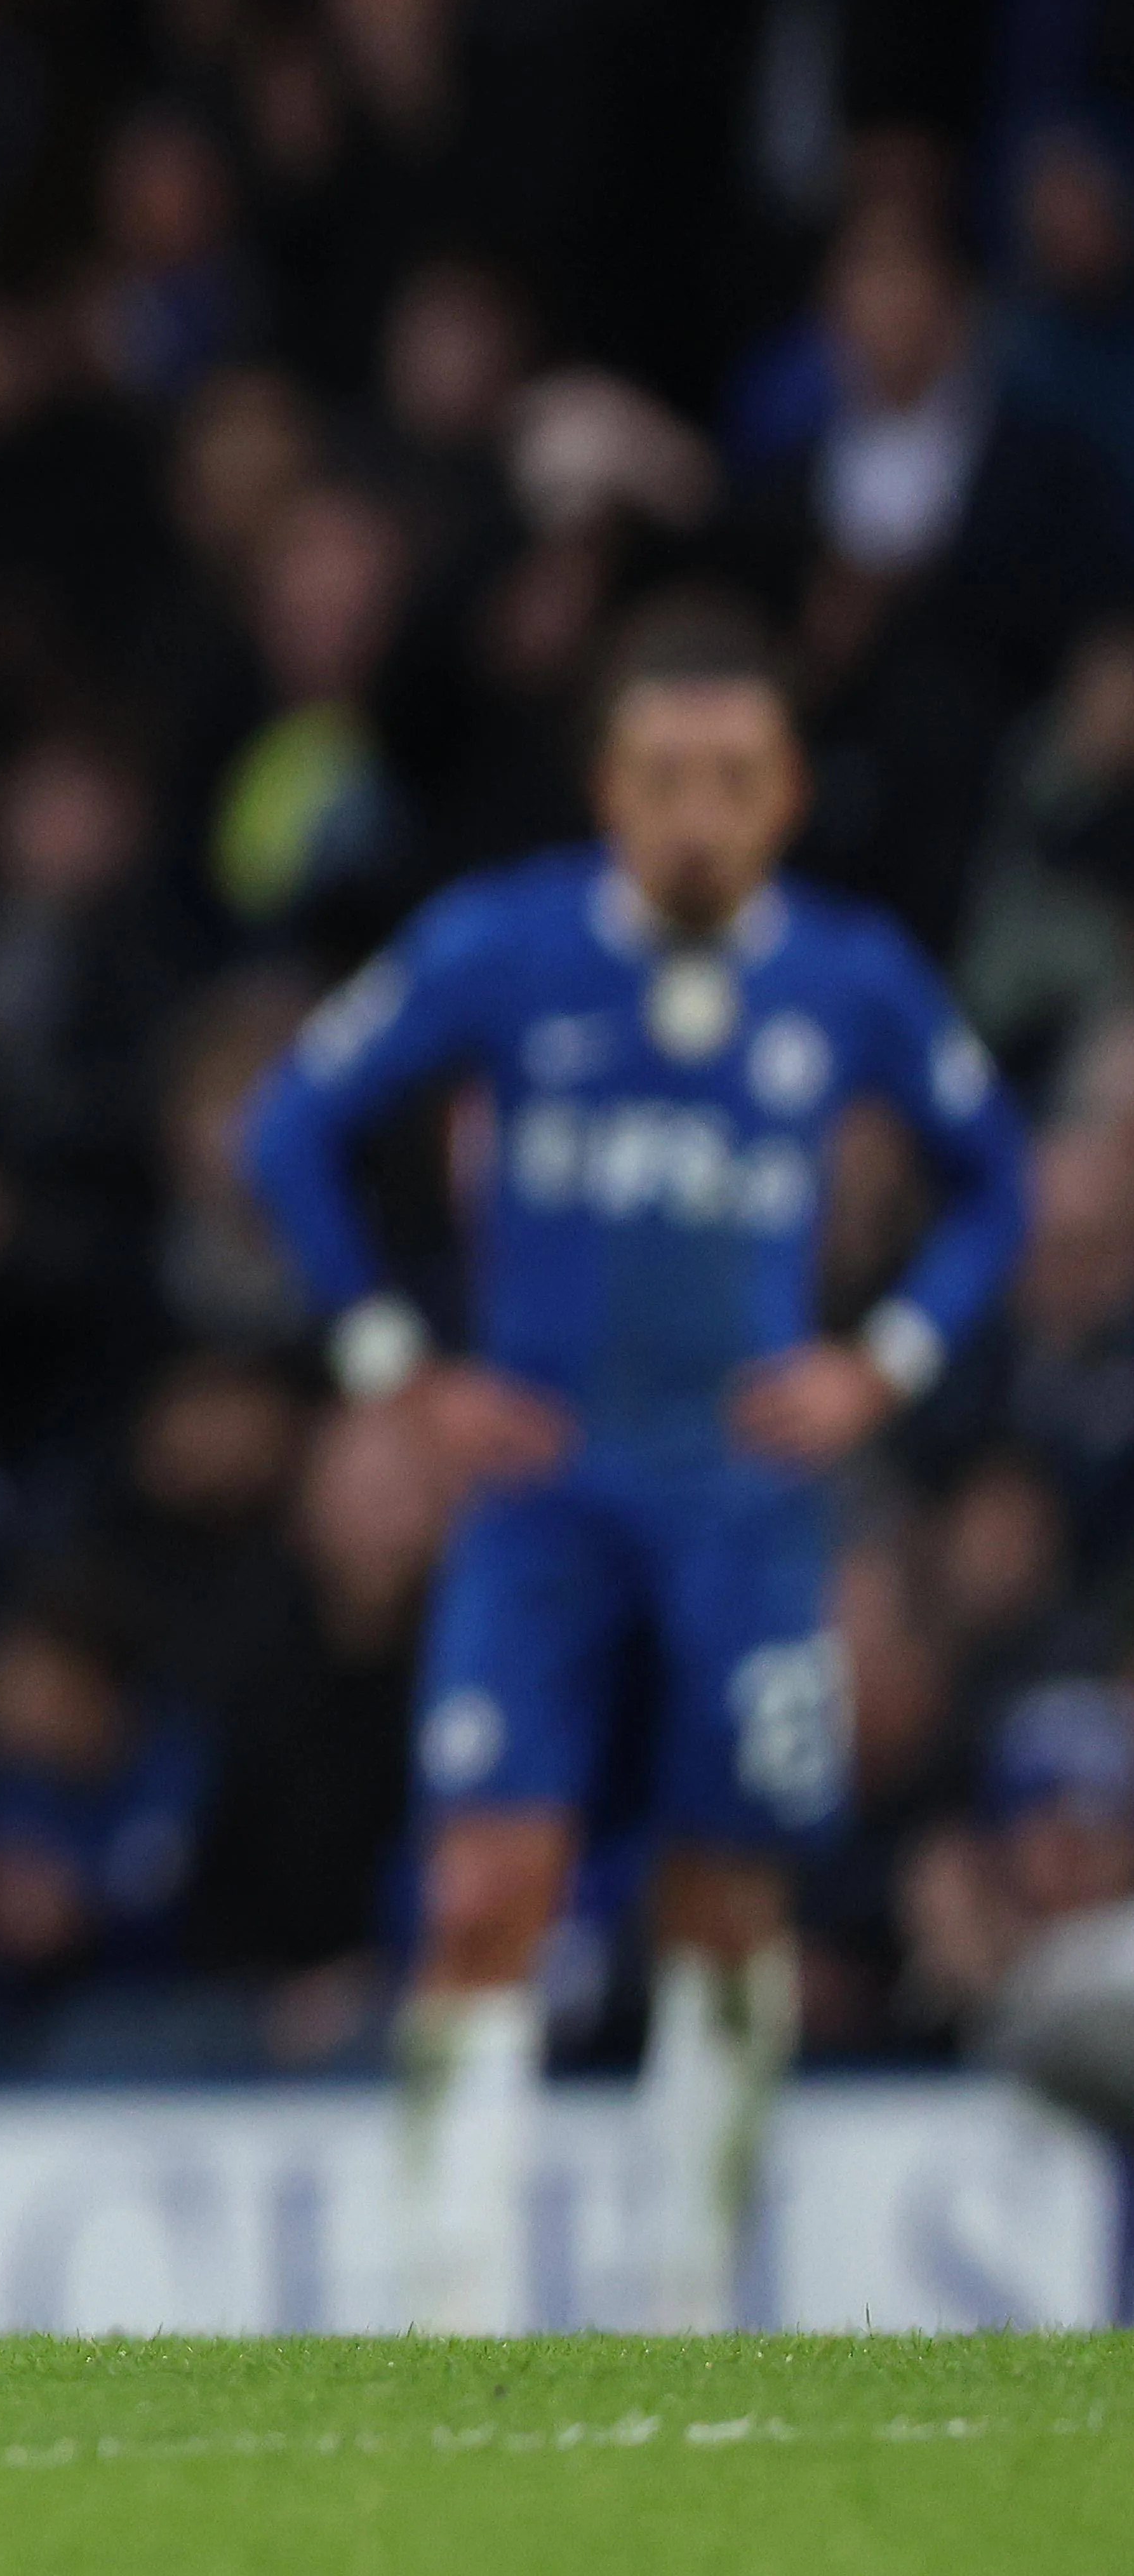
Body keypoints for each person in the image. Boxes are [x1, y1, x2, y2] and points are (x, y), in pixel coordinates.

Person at [239, 602, 1031, 2332]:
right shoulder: (502, 947)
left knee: (727, 1898)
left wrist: (883, 1363)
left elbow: (998, 1176)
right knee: (482, 1884)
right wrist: (394, 1366)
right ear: (606, 786)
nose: (696, 815)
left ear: (788, 794)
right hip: (539, 1496)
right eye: (665, 775)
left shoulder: (849, 977)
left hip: (743, 1506)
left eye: (732, 778)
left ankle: (685, 2309)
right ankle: (450, 2312)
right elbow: (288, 1125)